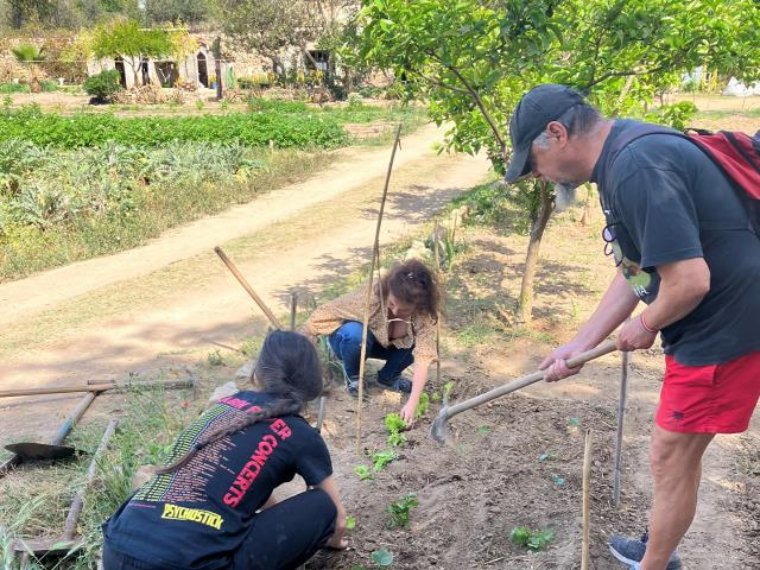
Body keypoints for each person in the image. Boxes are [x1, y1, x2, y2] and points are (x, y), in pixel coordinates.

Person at [505, 84, 760, 570]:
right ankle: (659, 551)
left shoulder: (636, 168)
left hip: (726, 326)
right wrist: (579, 344)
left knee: (671, 454)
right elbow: (639, 269)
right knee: (676, 455)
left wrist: (646, 324)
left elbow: (687, 281)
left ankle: (655, 563)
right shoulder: (625, 153)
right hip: (718, 321)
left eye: (533, 163)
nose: (537, 177)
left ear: (556, 134)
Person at [102, 330, 347, 570]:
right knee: (322, 505)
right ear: (312, 381)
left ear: (257, 374)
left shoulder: (224, 407)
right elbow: (338, 519)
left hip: (116, 551)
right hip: (187, 563)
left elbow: (244, 483)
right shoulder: (299, 433)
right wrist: (332, 541)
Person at [301, 258, 440, 425]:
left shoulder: (424, 316)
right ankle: (354, 376)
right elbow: (322, 315)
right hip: (352, 342)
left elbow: (423, 358)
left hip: (385, 345)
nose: (395, 311)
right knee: (355, 334)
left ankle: (388, 378)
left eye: (403, 310)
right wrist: (298, 350)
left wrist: (413, 402)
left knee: (416, 343)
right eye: (391, 304)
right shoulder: (372, 296)